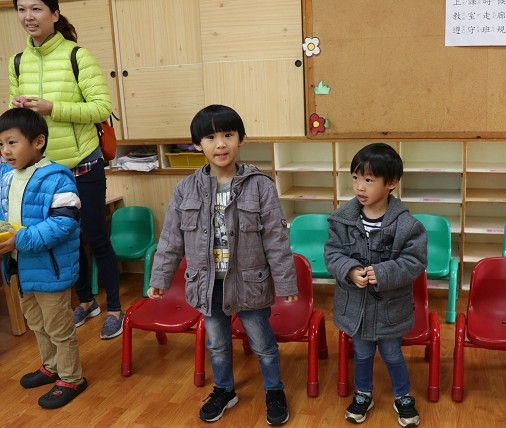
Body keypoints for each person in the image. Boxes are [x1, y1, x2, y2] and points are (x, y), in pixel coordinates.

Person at [147, 104, 297, 426]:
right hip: (206, 285)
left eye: (228, 135)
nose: (220, 144)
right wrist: (159, 278)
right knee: (216, 344)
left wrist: (286, 283)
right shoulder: (185, 189)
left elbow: (276, 239)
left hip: (249, 283)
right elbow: (171, 239)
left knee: (263, 345)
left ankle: (274, 390)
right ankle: (225, 390)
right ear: (197, 144)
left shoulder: (260, 185)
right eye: (210, 137)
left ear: (241, 138)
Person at [8, 0, 123, 339]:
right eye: (22, 9)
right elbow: (16, 119)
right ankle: (86, 301)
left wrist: (52, 108)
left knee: (94, 235)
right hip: (45, 170)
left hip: (83, 163)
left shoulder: (77, 56)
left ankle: (115, 308)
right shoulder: (18, 62)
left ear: (54, 14)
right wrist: (18, 112)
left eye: (37, 9)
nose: (28, 17)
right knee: (65, 238)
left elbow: (101, 107)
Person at [324, 143, 427, 427]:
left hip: (390, 309)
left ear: (391, 182)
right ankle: (363, 393)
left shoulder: (407, 225)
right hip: (355, 307)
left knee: (392, 353)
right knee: (362, 353)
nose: (360, 186)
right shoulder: (342, 219)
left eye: (369, 180)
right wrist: (349, 269)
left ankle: (403, 395)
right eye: (356, 178)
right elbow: (332, 253)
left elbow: (415, 261)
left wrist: (381, 272)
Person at [0, 108, 87, 408]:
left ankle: (72, 378)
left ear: (38, 142)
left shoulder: (57, 178)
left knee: (59, 327)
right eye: (1, 144)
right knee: (37, 323)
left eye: (12, 143)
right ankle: (51, 367)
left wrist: (20, 239)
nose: (5, 151)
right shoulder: (7, 177)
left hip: (51, 269)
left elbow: (65, 221)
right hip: (21, 268)